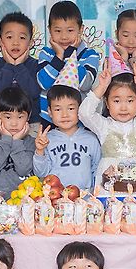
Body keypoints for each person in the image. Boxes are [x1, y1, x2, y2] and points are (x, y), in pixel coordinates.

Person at [78, 46, 136, 192]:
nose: (123, 107)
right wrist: (102, 87)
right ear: (107, 103)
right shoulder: (104, 126)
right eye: (116, 101)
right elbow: (84, 113)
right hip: (110, 191)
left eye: (130, 100)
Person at [32, 53, 101, 191]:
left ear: (79, 109)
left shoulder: (91, 139)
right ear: (49, 112)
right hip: (55, 198)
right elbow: (41, 173)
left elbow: (97, 170)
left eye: (70, 108)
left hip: (85, 198)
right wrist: (40, 151)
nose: (64, 115)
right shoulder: (47, 140)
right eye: (58, 109)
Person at [36, 0, 100, 127]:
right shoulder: (46, 54)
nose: (64, 37)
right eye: (58, 31)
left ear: (81, 29)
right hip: (49, 120)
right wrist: (59, 57)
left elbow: (85, 84)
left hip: (80, 122)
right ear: (49, 30)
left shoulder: (90, 55)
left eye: (70, 30)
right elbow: (43, 83)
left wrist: (70, 55)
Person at [0, 11, 41, 128]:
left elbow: (33, 92)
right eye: (9, 37)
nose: (15, 43)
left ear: (31, 43)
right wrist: (10, 65)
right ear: (0, 42)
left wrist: (19, 66)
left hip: (31, 124)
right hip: (2, 125)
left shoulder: (36, 64)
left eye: (22, 38)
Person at [0, 86, 36, 197]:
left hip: (24, 200)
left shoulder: (31, 142)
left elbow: (23, 170)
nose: (14, 123)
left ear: (28, 116)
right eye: (8, 117)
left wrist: (16, 141)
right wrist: (6, 139)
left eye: (20, 117)